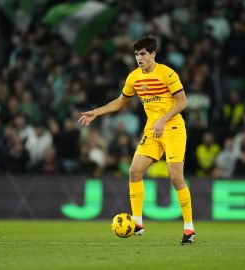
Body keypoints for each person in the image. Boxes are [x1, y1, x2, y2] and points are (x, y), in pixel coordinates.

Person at [78, 36, 195, 244]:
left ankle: (189, 228)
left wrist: (162, 120)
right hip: (152, 130)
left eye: (142, 54)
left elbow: (182, 101)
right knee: (134, 171)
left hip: (173, 128)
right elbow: (122, 101)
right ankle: (138, 223)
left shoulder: (167, 73)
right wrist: (97, 112)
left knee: (176, 177)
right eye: (136, 54)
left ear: (152, 54)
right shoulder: (134, 77)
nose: (139, 58)